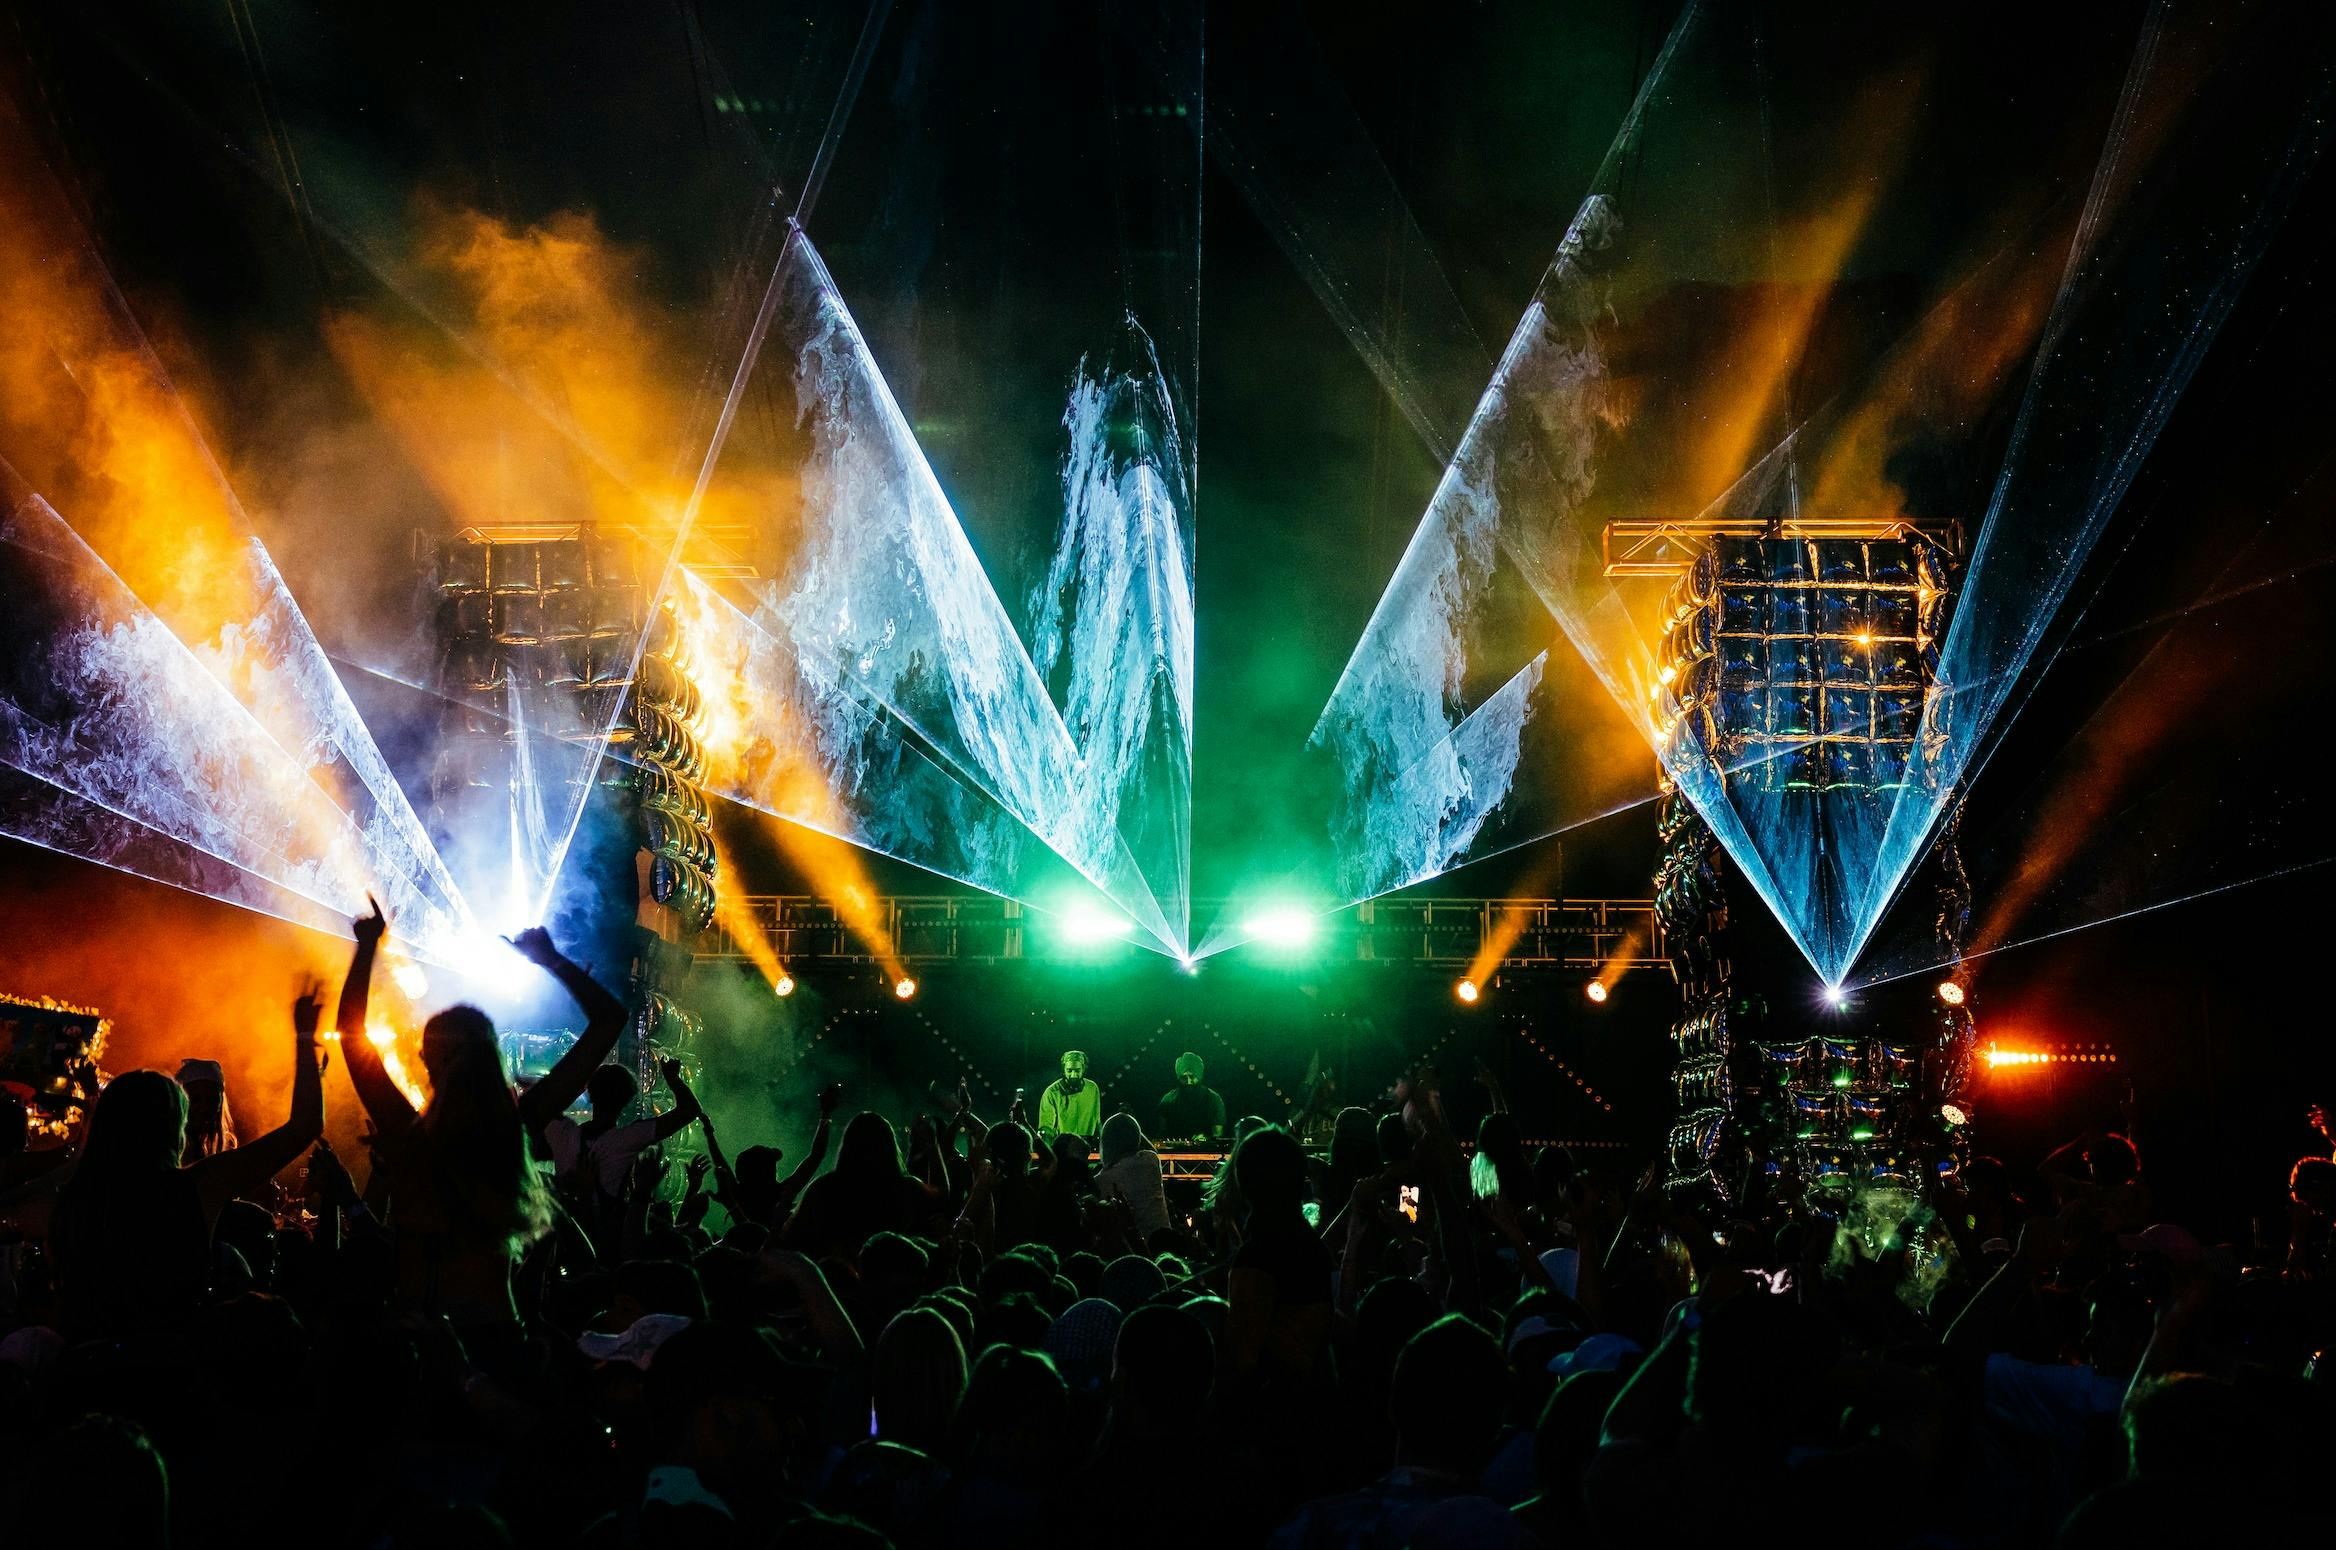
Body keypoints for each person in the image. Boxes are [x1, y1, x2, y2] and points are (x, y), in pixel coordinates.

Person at [336, 897, 622, 1326]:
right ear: (492, 1057)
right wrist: (551, 960)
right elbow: (609, 1021)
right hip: (494, 1331)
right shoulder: (513, 1130)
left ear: (429, 1062)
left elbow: (351, 1035)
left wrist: (367, 947)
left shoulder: (413, 1136)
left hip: (424, 1334)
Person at [49, 982, 325, 1340]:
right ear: (172, 1129)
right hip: (167, 1368)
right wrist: (305, 1037)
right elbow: (305, 1125)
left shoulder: (71, 1198)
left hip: (82, 1374)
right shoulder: (195, 1186)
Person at [543, 1056, 703, 1244]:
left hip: (562, 1240)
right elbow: (690, 1110)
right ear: (627, 1100)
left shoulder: (562, 1132)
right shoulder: (627, 1139)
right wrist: (672, 1079)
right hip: (607, 1244)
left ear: (590, 1094)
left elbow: (535, 1107)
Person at [1096, 1111, 1172, 1243]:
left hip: (1133, 1249)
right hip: (1163, 1244)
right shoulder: (1151, 1161)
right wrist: (1129, 1125)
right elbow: (1149, 1147)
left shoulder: (1102, 1180)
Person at [173, 1057, 235, 1163]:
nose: (203, 1108)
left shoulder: (227, 1146)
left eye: (211, 1099)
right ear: (179, 1101)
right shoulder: (162, 1148)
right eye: (195, 1099)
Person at [1156, 1051, 1226, 1142]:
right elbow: (1162, 1133)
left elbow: (1217, 1135)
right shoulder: (1168, 1100)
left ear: (1199, 1077)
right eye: (1184, 1078)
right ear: (1178, 1077)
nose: (1188, 1082)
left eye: (1192, 1077)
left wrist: (1206, 1139)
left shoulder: (1214, 1099)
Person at [1036, 1049, 1103, 1144]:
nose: (1073, 1075)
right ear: (1063, 1070)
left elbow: (1097, 1120)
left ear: (1083, 1069)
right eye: (1069, 1071)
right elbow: (1046, 1128)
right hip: (1062, 1148)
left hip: (1088, 1147)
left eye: (1077, 1071)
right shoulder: (1051, 1092)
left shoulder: (1092, 1088)